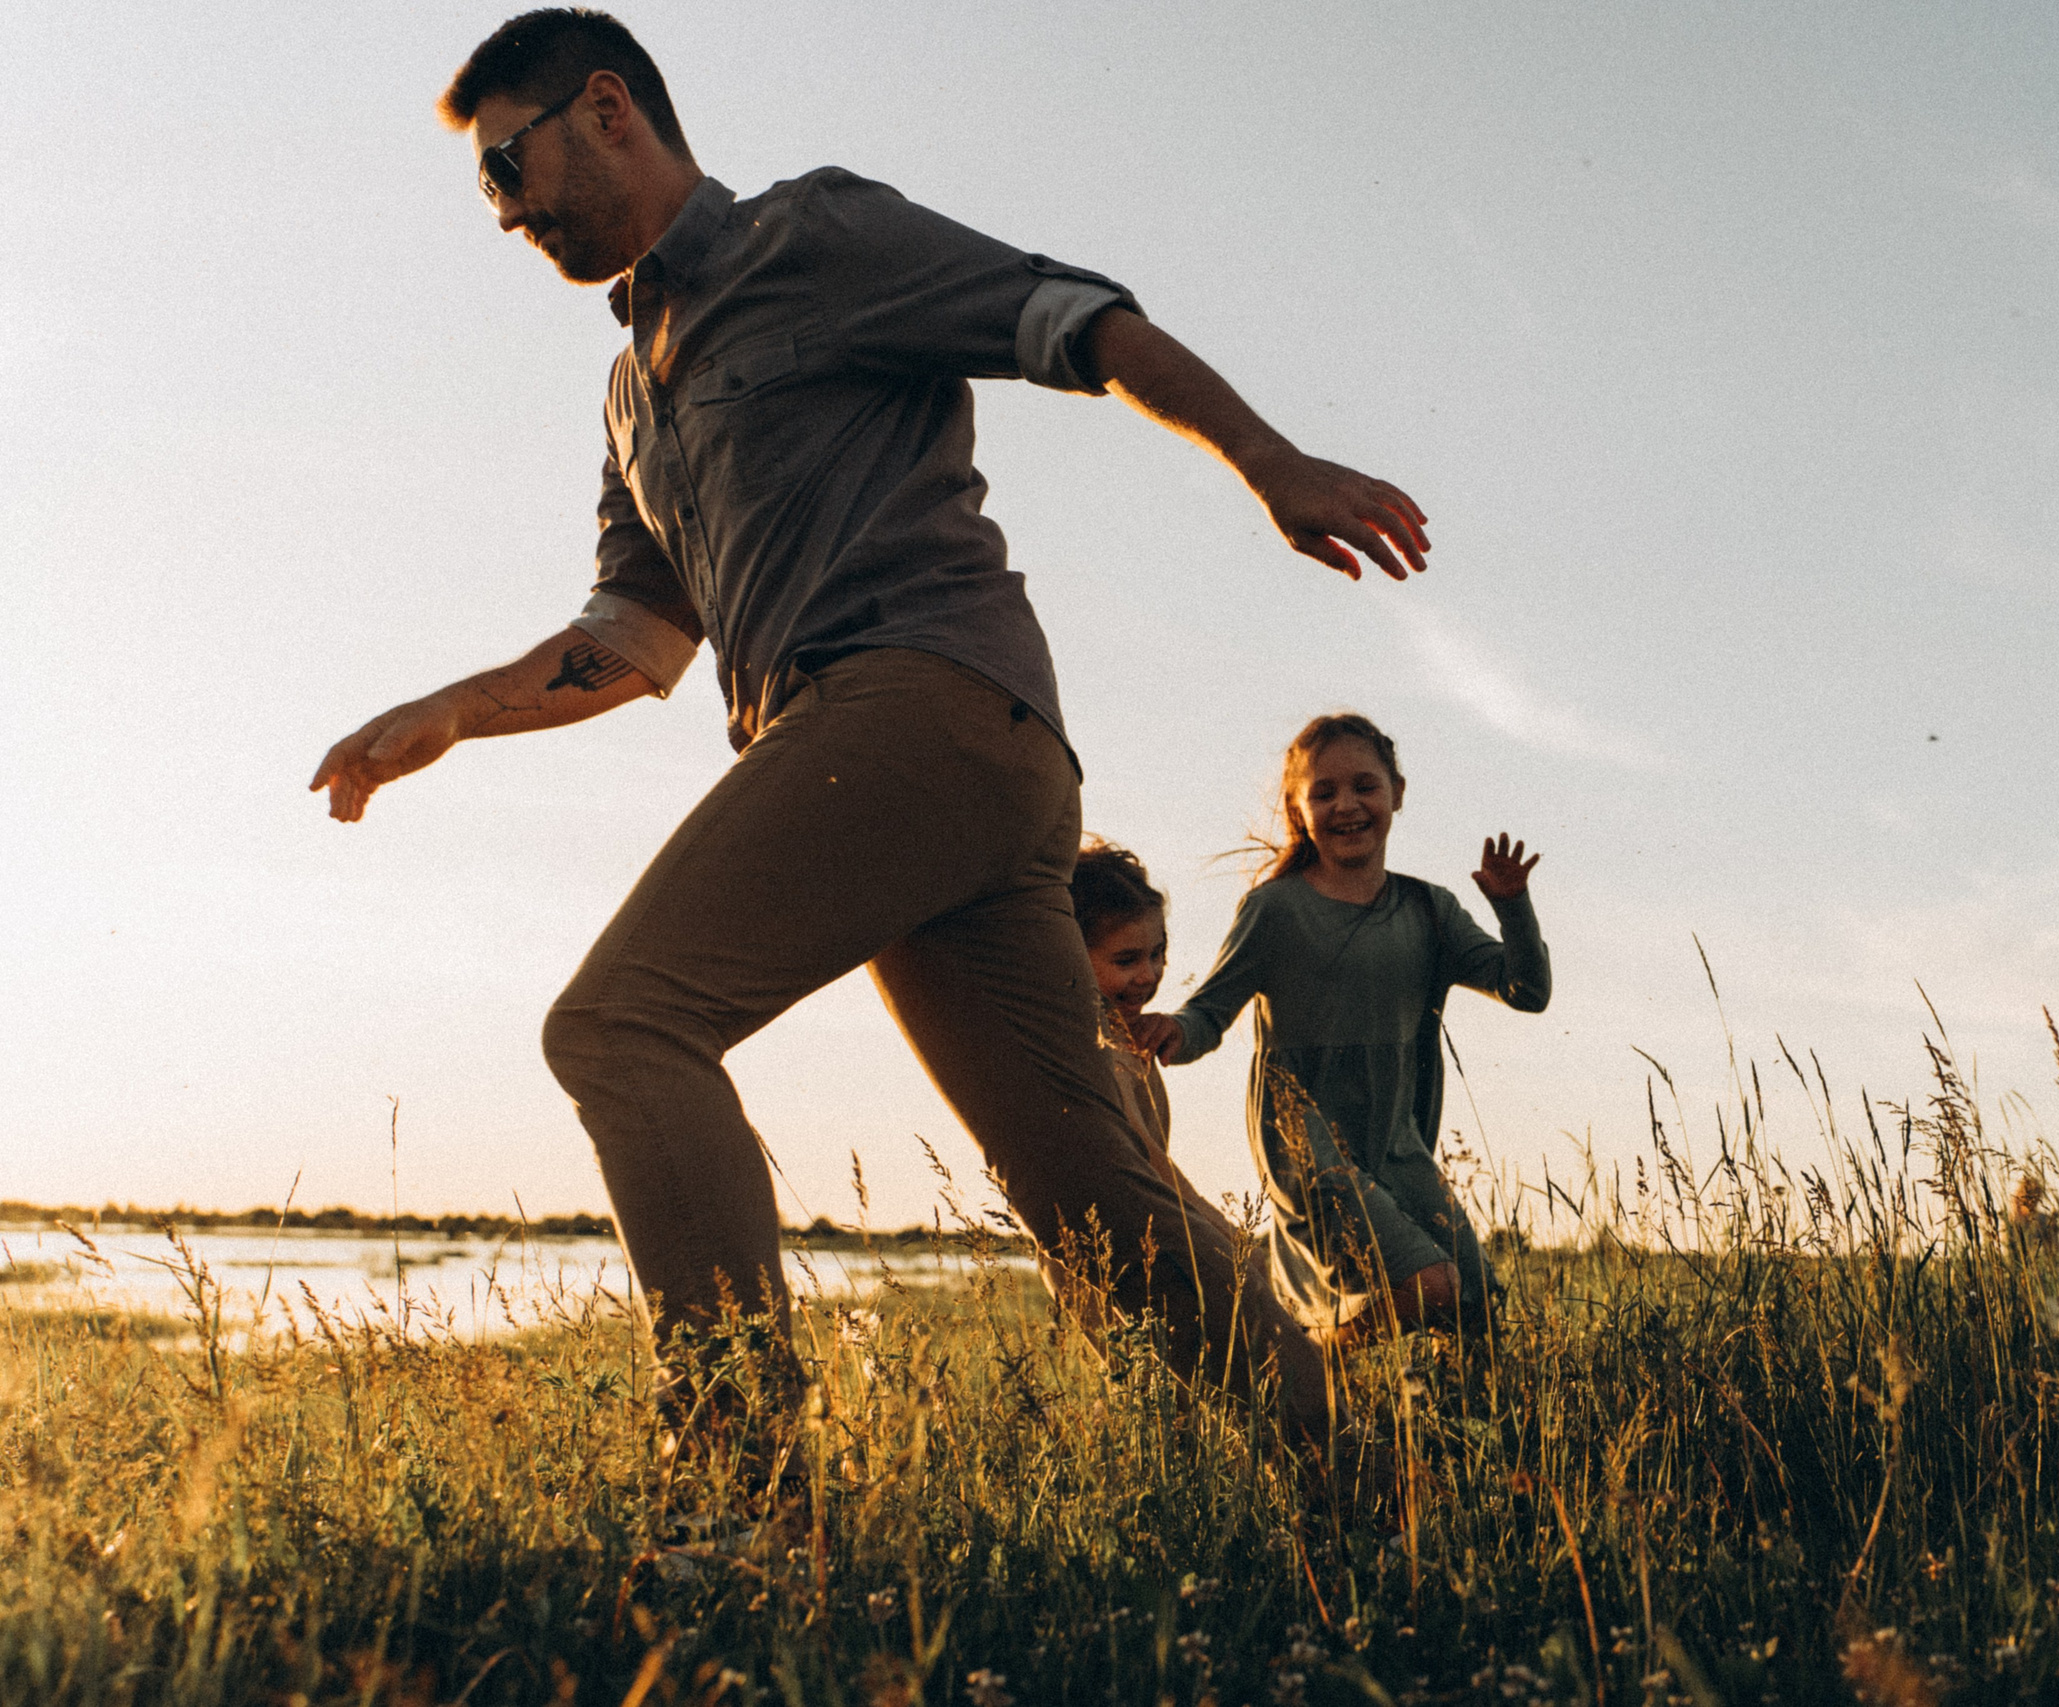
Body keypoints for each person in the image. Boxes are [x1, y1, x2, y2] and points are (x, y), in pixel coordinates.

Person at [308, 9, 1429, 1460]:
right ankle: (1375, 1480)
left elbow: (1074, 318)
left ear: (605, 109)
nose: (506, 213)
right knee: (1086, 1190)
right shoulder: (632, 390)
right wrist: (453, 712)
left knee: (623, 1024)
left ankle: (739, 1478)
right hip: (914, 771)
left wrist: (1268, 460)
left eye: (507, 167)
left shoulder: (811, 235)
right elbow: (638, 643)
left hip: (919, 698)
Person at [1132, 714, 1549, 1346]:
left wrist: (1512, 905)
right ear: (1299, 811)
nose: (1346, 805)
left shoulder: (1429, 909)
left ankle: (1433, 1433)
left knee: (1476, 1307)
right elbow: (1209, 1013)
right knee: (1429, 1283)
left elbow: (1528, 992)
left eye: (1364, 786)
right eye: (1323, 793)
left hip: (1397, 1143)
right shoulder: (1275, 909)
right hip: (1307, 1141)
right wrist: (1174, 1032)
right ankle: (1314, 1364)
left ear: (1397, 794)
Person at [1040, 840, 1293, 1350]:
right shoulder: (1095, 1050)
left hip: (1140, 1230)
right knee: (1161, 1376)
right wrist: (1219, 1227)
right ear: (1070, 952)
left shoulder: (1123, 1036)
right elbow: (1147, 1158)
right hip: (1101, 1249)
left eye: (1158, 954)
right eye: (1127, 959)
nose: (1149, 975)